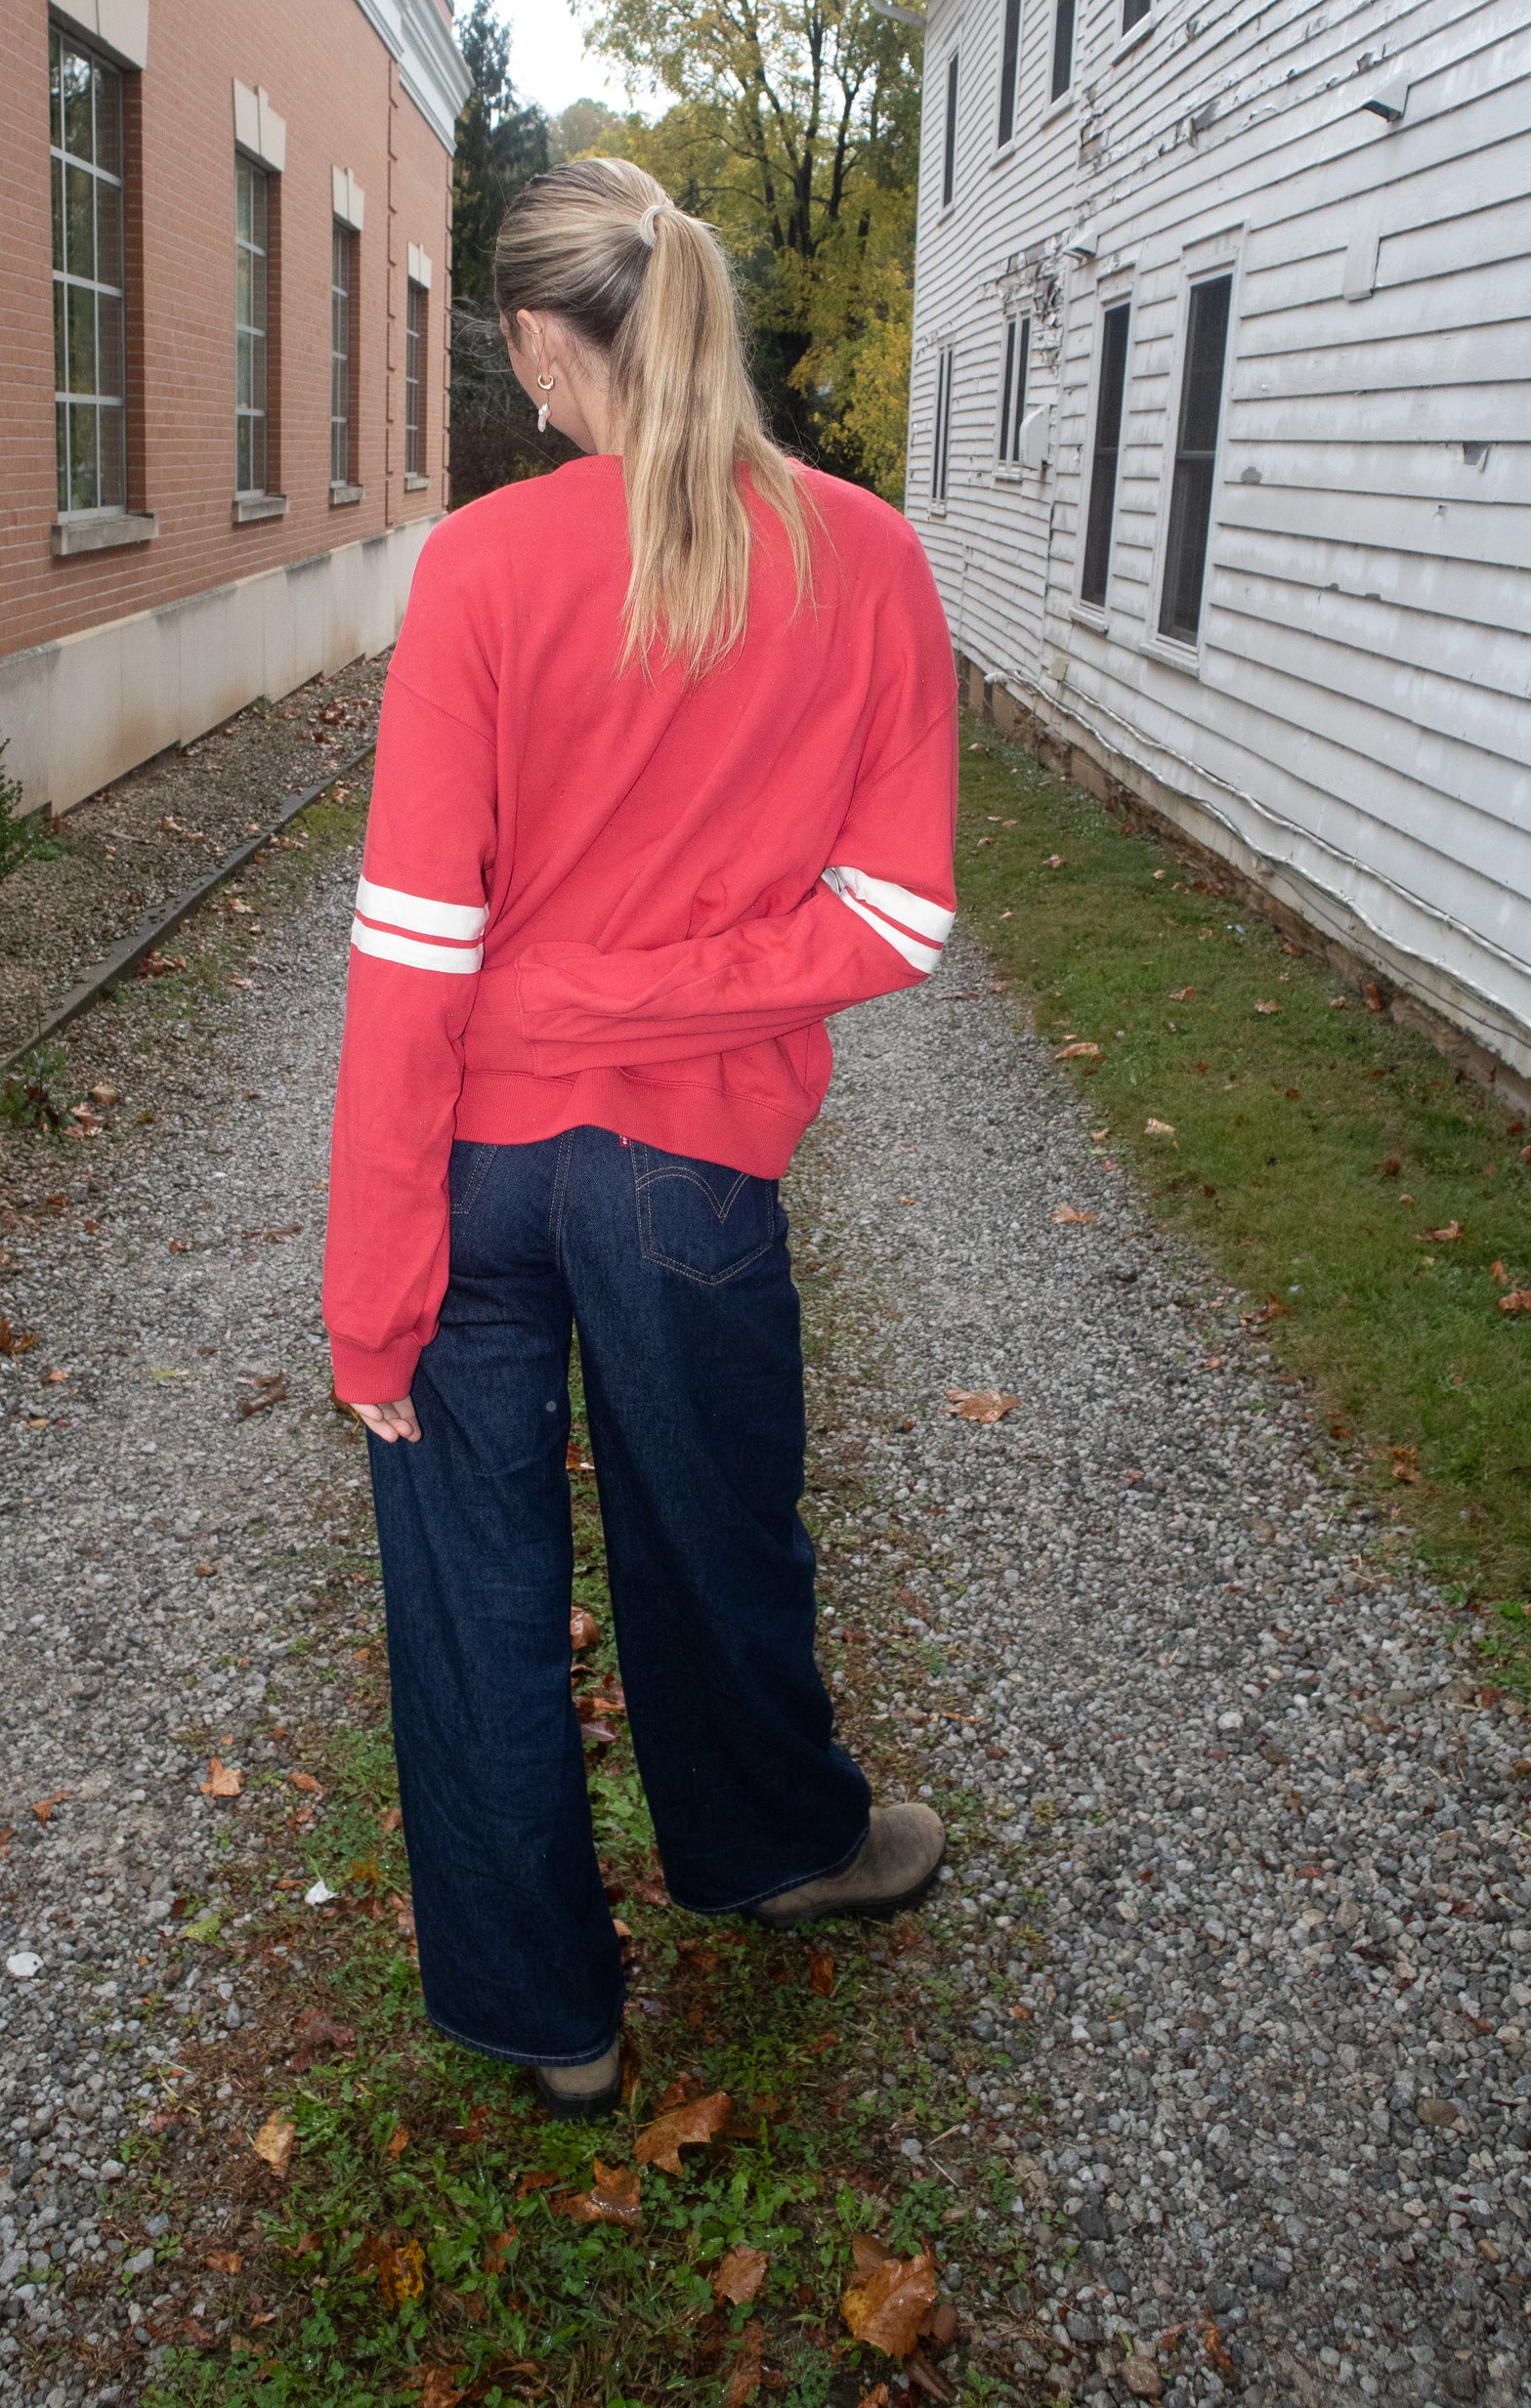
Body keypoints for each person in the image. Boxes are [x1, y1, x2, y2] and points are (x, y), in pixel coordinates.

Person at [323, 156, 958, 2118]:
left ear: (533, 342)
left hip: (476, 1166)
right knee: (716, 1533)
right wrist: (649, 1004)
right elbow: (893, 917)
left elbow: (413, 956)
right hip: (691, 1176)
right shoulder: (866, 556)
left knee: (472, 1586)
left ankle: (547, 2015)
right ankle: (776, 1844)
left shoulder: (480, 566)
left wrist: (373, 1289)